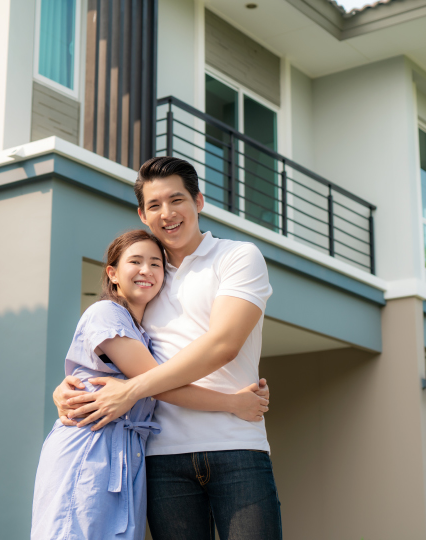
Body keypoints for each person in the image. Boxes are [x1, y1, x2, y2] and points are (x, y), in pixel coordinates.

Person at [54, 157, 282, 539]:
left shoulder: (237, 257)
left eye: (177, 200)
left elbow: (223, 345)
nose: (168, 213)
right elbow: (107, 353)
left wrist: (131, 390)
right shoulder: (146, 278)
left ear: (198, 201)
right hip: (160, 458)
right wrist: (66, 388)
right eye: (155, 205)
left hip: (237, 446)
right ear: (143, 214)